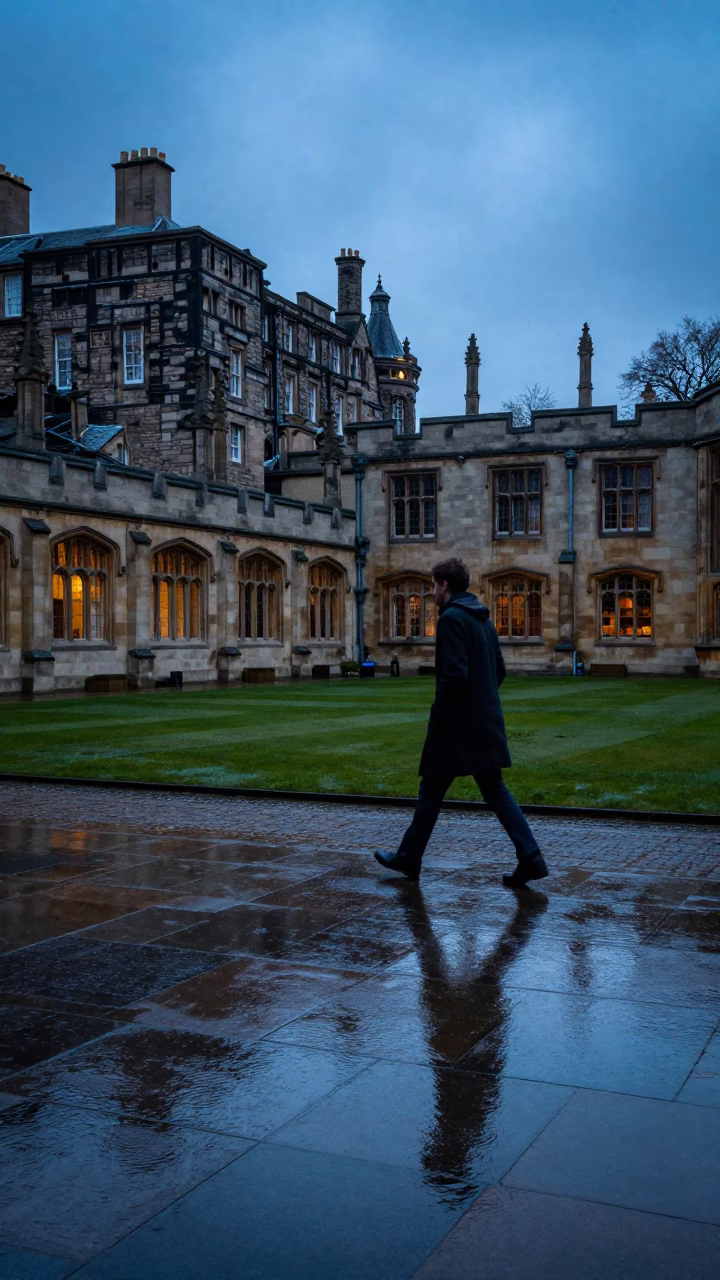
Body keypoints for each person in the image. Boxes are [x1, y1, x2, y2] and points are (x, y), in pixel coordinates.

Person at [374, 557, 548, 887]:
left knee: (432, 791)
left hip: (456, 726)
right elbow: (499, 670)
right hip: (484, 719)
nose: (430, 592)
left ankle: (409, 859)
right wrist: (480, 702)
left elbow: (453, 678)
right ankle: (531, 858)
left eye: (432, 585)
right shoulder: (482, 618)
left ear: (444, 586)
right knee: (492, 790)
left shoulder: (452, 619)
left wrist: (441, 719)